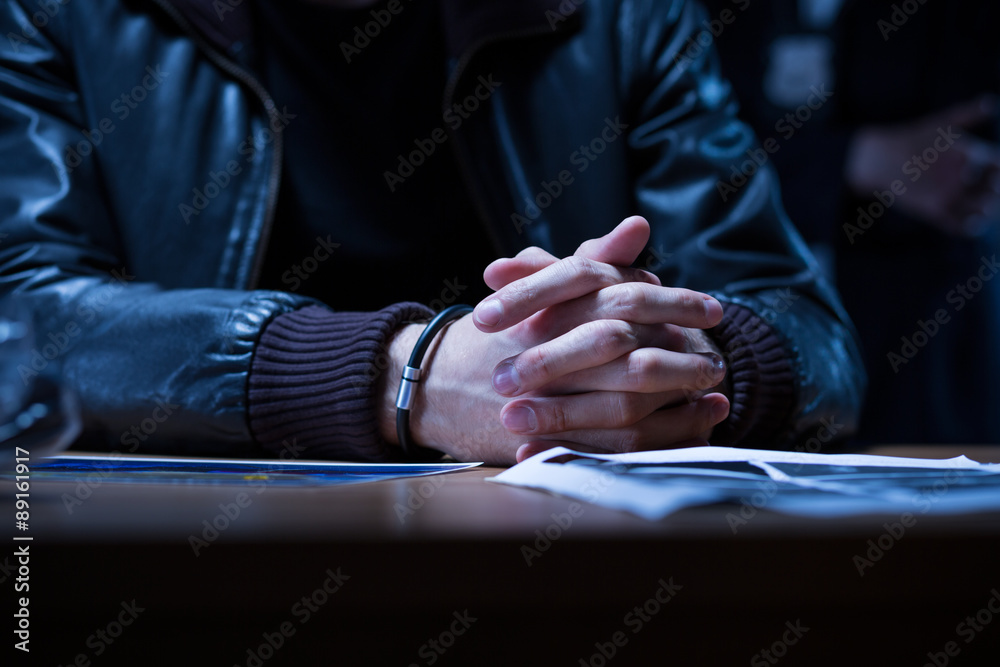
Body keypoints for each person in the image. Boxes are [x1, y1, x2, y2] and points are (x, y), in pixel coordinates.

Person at [0, 0, 864, 465]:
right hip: (193, 569)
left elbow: (809, 333)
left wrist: (658, 368)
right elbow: (20, 323)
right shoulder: (60, 12)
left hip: (571, 573)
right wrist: (396, 372)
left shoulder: (625, 16)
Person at [700, 0, 1000, 443]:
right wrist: (857, 159)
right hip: (746, 329)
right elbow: (695, 163)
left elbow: (959, 158)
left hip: (922, 323)